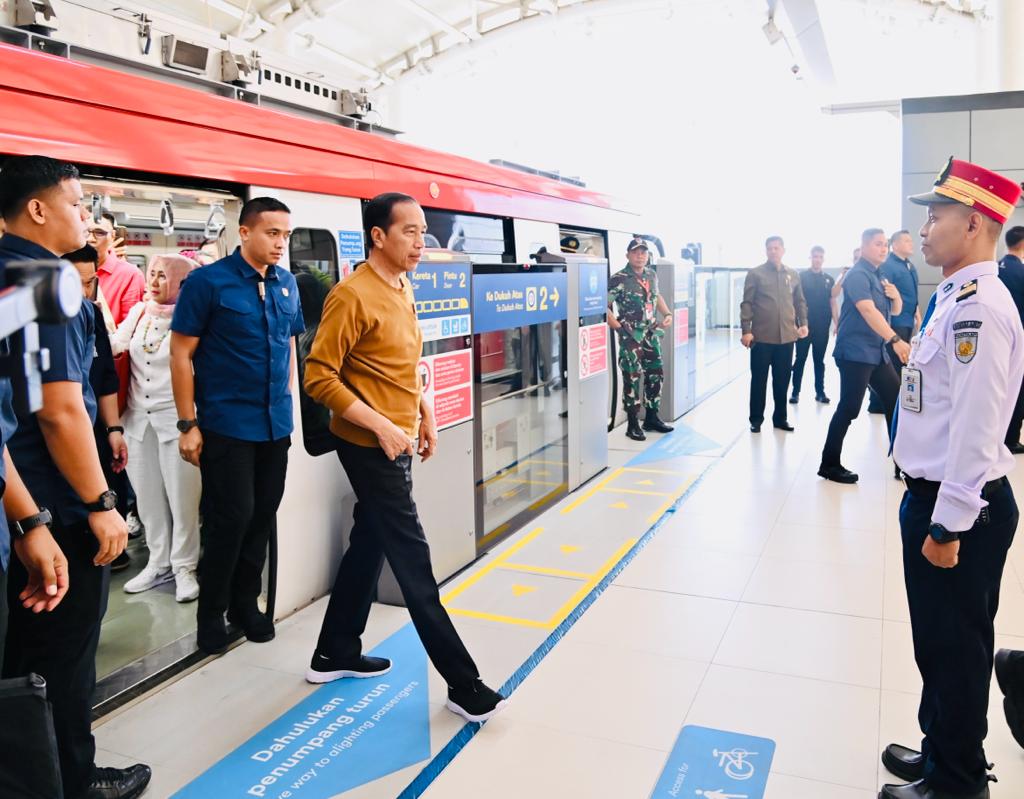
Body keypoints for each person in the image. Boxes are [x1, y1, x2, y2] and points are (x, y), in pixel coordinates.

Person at [303, 192, 506, 723]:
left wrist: (426, 416)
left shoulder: (402, 285)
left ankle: (334, 651)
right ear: (379, 236)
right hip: (370, 444)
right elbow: (318, 376)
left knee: (370, 541)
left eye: (423, 232)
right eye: (410, 232)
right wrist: (383, 427)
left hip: (397, 438)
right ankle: (464, 684)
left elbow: (406, 364)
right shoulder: (353, 295)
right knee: (414, 562)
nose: (422, 241)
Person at [0, 155, 150, 799]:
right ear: (38, 209)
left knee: (24, 656)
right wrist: (100, 503)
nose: (86, 218)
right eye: (77, 204)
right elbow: (61, 411)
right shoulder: (42, 282)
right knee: (65, 655)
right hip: (58, 504)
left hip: (17, 502)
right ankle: (74, 780)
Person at [881, 158, 1024, 799]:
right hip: (938, 498)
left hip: (957, 508)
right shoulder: (953, 296)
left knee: (956, 652)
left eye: (936, 214)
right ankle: (942, 750)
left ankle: (957, 783)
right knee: (938, 646)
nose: (926, 225)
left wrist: (946, 524)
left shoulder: (980, 309)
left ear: (973, 223)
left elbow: (974, 428)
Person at [170, 197, 304, 655]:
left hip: (275, 425)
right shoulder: (208, 283)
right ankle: (211, 613)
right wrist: (188, 422)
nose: (280, 243)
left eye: (285, 235)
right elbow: (181, 353)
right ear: (244, 232)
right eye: (271, 233)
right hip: (226, 425)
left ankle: (245, 605)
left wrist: (285, 402)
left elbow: (287, 348)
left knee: (262, 516)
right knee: (231, 519)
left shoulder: (287, 285)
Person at [111, 255, 201, 603]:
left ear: (182, 283)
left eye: (164, 276)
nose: (154, 280)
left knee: (183, 500)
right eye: (152, 273)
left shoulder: (191, 317)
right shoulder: (139, 313)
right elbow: (116, 344)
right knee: (147, 499)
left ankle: (184, 566)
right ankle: (158, 561)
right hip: (136, 420)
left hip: (176, 421)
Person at [818, 229, 908, 484]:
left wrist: (897, 296)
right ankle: (829, 464)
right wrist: (896, 340)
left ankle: (902, 464)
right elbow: (868, 311)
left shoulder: (879, 276)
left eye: (886, 245)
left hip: (876, 352)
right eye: (878, 244)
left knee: (896, 401)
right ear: (864, 246)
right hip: (856, 352)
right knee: (849, 408)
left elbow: (896, 310)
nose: (884, 249)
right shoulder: (858, 274)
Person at [607, 237, 674, 441]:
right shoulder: (619, 278)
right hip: (631, 336)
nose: (640, 255)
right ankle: (633, 423)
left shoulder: (651, 275)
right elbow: (604, 306)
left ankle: (651, 418)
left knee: (656, 374)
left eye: (643, 252)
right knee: (632, 377)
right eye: (636, 252)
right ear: (628, 254)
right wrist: (618, 329)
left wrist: (667, 313)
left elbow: (657, 296)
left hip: (651, 334)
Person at [740, 235, 808, 432]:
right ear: (766, 250)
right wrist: (746, 330)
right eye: (770, 248)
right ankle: (756, 420)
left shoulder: (793, 274)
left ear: (783, 250)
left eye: (777, 248)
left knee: (782, 380)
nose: (773, 251)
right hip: (761, 337)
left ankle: (780, 419)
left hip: (787, 338)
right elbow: (747, 303)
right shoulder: (755, 274)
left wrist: (803, 323)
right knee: (759, 381)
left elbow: (800, 302)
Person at [790, 245, 834, 404]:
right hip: (804, 326)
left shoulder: (828, 279)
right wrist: (795, 323)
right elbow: (794, 301)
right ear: (810, 258)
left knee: (819, 360)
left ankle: (820, 392)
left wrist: (837, 322)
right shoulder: (801, 277)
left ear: (823, 259)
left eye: (820, 257)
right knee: (800, 359)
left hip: (822, 327)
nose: (817, 260)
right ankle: (795, 392)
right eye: (815, 256)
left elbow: (832, 302)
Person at [998, 226, 1024, 454]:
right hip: (1019, 336)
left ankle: (1000, 434)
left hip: (999, 336)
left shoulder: (997, 268)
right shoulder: (1020, 271)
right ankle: (1011, 438)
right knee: (1018, 388)